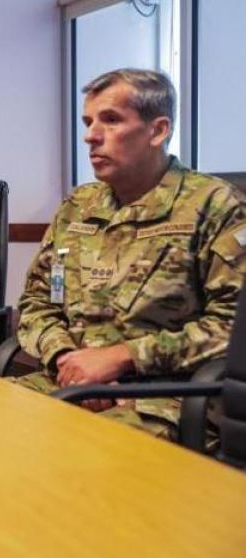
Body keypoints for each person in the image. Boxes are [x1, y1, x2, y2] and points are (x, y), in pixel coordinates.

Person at [15, 68, 246, 440]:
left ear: (157, 130)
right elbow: (35, 303)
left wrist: (123, 357)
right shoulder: (78, 206)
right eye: (88, 121)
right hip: (68, 381)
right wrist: (65, 360)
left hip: (165, 395)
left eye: (111, 120)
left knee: (87, 457)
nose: (90, 135)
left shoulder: (216, 207)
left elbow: (232, 328)